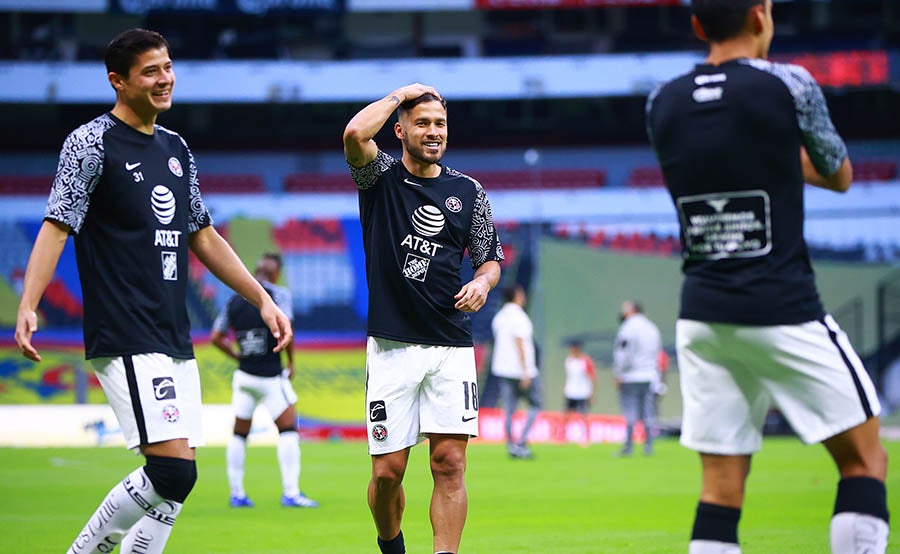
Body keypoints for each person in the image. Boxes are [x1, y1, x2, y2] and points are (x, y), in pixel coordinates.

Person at [13, 29, 293, 554]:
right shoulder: (90, 143)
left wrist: (261, 298)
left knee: (177, 484)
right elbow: (57, 226)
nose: (165, 78)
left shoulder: (175, 147)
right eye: (150, 71)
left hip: (172, 332)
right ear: (118, 81)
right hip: (124, 329)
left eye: (167, 66)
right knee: (170, 471)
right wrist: (28, 304)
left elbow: (202, 235)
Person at [646, 2, 889, 552]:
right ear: (760, 18)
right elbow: (839, 171)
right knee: (865, 459)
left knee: (720, 490)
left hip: (703, 314)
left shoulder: (662, 101)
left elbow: (702, 164)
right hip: (783, 306)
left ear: (697, 26)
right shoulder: (790, 84)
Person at [343, 83, 504, 554]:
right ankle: (391, 545)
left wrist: (483, 282)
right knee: (388, 472)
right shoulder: (380, 178)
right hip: (392, 347)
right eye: (423, 123)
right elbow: (355, 133)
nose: (434, 132)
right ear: (400, 130)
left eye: (440, 124)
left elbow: (490, 258)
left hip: (451, 344)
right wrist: (400, 94)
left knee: (450, 463)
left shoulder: (467, 191)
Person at [210, 252, 318, 509]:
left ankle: (237, 494)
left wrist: (237, 355)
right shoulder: (279, 295)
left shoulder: (234, 300)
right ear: (275, 273)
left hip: (244, 376)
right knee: (288, 430)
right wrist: (291, 362)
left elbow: (216, 336)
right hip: (270, 376)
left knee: (239, 434)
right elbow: (286, 328)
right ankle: (291, 493)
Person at [491, 285, 542, 459]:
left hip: (503, 369)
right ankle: (521, 443)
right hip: (520, 370)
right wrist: (526, 371)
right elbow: (521, 343)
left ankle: (511, 445)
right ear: (517, 296)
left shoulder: (499, 317)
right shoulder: (519, 317)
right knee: (535, 405)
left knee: (509, 409)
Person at [612, 300, 661, 457]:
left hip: (631, 376)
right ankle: (648, 446)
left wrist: (618, 373)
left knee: (630, 412)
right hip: (649, 375)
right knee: (648, 412)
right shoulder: (652, 328)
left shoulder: (628, 328)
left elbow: (623, 353)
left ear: (632, 310)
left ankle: (628, 446)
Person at [563, 339, 596, 445]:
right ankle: (564, 437)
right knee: (567, 415)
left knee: (584, 416)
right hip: (570, 391)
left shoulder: (585, 361)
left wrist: (592, 393)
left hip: (583, 392)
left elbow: (592, 377)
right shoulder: (569, 361)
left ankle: (585, 438)